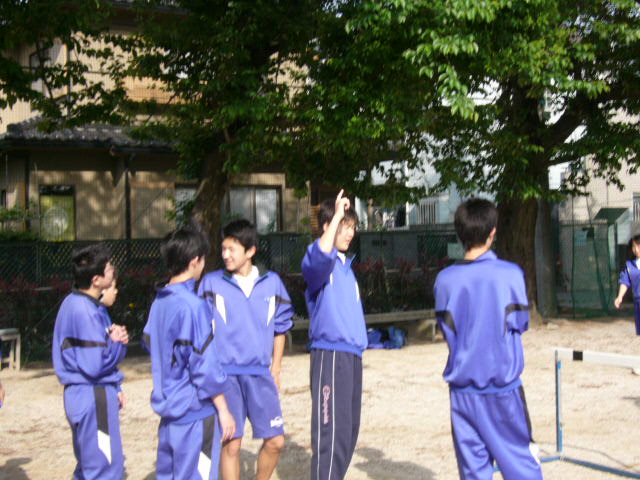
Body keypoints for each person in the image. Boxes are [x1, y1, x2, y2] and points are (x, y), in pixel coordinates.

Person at [434, 198, 543, 480]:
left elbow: (446, 330)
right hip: (502, 390)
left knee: (474, 472)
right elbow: (520, 324)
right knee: (521, 466)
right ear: (493, 232)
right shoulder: (510, 274)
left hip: (462, 393)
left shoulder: (444, 280)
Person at [198, 219, 294, 480]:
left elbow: (281, 328)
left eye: (232, 249)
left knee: (276, 441)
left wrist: (276, 368)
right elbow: (200, 332)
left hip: (261, 375)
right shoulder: (211, 283)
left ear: (250, 251)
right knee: (232, 444)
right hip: (225, 376)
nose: (225, 255)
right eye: (223, 248)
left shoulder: (272, 283)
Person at [143, 222, 235, 480]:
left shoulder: (159, 302)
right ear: (195, 261)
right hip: (194, 413)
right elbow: (204, 366)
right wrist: (224, 409)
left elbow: (149, 343)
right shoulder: (193, 306)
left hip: (169, 415)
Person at [301, 190, 367, 480]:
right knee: (331, 435)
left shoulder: (346, 269)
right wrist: (337, 213)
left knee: (348, 432)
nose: (350, 233)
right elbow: (318, 257)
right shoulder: (320, 264)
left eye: (352, 227)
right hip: (331, 355)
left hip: (351, 357)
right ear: (328, 227)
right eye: (343, 226)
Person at [52, 243, 129, 480]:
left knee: (87, 467)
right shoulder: (85, 311)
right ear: (96, 280)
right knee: (104, 469)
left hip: (80, 394)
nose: (113, 270)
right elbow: (94, 365)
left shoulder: (74, 302)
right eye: (109, 268)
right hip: (93, 395)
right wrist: (118, 343)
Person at [614, 232, 640, 334]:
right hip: (637, 302)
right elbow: (625, 281)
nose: (636, 249)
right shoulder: (630, 265)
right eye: (634, 246)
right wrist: (620, 297)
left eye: (638, 246)